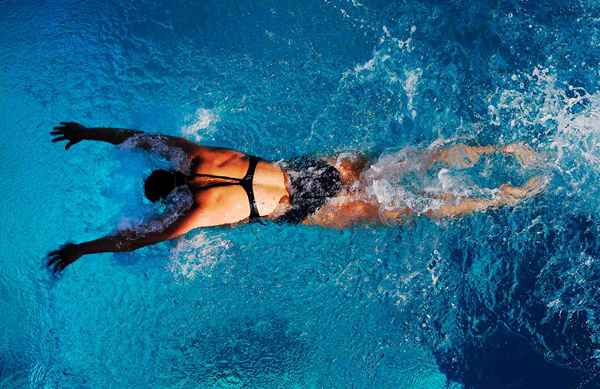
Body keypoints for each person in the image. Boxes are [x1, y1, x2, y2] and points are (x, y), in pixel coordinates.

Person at [47, 122, 546, 272]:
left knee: (404, 210)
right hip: (303, 170)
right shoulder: (192, 155)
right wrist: (88, 132)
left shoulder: (194, 213)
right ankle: (503, 149)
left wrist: (80, 250)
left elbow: (132, 241)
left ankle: (505, 197)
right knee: (405, 162)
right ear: (169, 170)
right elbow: (136, 136)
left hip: (300, 209)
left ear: (170, 200)